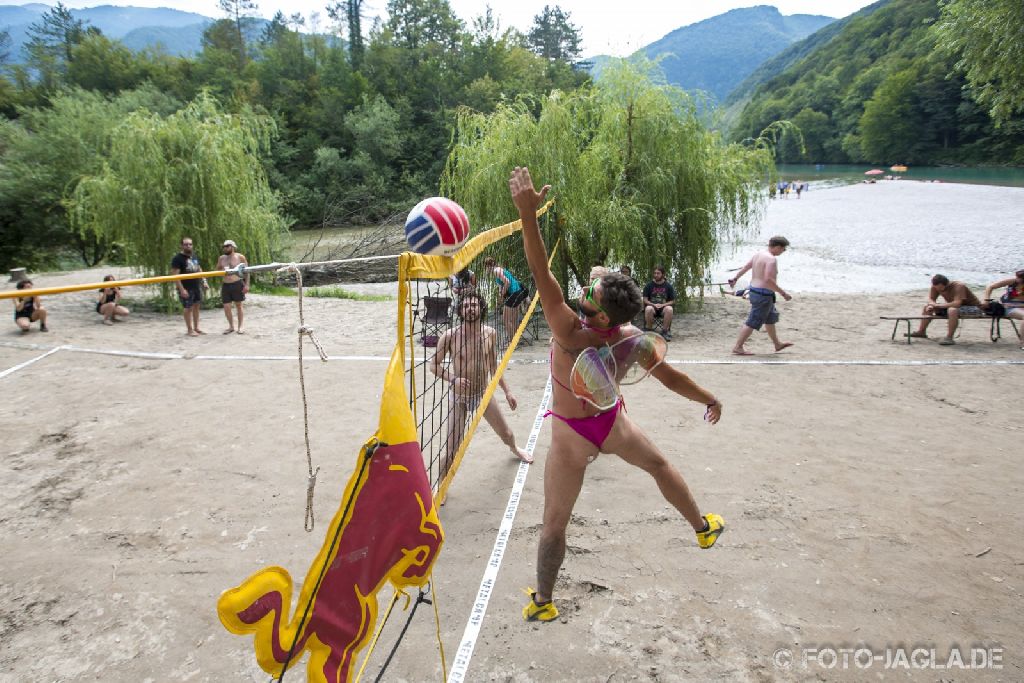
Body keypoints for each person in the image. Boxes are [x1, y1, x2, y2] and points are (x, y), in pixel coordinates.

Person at [509, 166, 724, 623]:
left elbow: (539, 268)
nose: (581, 295)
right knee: (660, 466)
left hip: (572, 435)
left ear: (600, 317)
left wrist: (528, 214)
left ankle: (543, 603)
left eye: (588, 297)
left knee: (553, 524)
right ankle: (702, 529)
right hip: (613, 423)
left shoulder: (568, 328)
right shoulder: (631, 336)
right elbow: (671, 378)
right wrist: (708, 397)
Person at [430, 291, 532, 485]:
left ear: (481, 308)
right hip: (458, 397)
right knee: (451, 449)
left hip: (482, 395)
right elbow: (433, 365)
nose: (470, 309)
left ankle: (515, 449)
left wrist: (507, 391)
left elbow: (494, 367)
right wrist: (453, 379)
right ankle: (441, 486)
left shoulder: (489, 333)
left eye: (474, 305)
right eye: (466, 306)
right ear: (460, 310)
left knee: (508, 434)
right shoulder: (450, 336)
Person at [728, 236, 794, 356]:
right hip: (762, 294)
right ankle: (738, 347)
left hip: (756, 291)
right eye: (783, 249)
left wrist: (735, 278)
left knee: (770, 318)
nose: (783, 252)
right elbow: (768, 279)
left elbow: (746, 267)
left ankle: (777, 344)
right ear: (778, 247)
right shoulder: (771, 259)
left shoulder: (759, 254)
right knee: (753, 321)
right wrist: (783, 293)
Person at [909, 274, 984, 345]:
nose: (937, 289)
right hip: (953, 307)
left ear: (945, 284)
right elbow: (931, 299)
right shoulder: (935, 287)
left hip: (973, 308)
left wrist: (938, 306)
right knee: (927, 308)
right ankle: (921, 331)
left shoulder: (959, 286)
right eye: (935, 287)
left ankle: (949, 337)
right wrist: (931, 305)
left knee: (952, 310)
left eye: (939, 287)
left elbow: (957, 303)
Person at [482, 256, 529, 340]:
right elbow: (501, 285)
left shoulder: (496, 271)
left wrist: (503, 293)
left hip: (514, 294)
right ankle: (515, 340)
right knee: (514, 319)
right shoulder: (499, 270)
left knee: (506, 320)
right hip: (518, 293)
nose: (485, 270)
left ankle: (512, 341)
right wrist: (500, 295)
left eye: (485, 267)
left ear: (488, 266)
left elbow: (507, 282)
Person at [170, 237, 208, 337]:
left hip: (196, 286)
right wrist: (182, 289)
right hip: (186, 287)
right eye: (186, 244)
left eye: (190, 244)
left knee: (196, 306)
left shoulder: (194, 256)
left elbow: (199, 269)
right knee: (188, 308)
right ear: (182, 245)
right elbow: (175, 275)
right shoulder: (177, 258)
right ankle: (189, 330)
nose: (188, 246)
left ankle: (196, 328)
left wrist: (204, 281)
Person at [982, 269, 1024, 349]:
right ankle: (1023, 343)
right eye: (1017, 277)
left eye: (1020, 278)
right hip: (1009, 307)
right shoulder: (1012, 281)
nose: (1018, 279)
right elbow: (990, 287)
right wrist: (986, 300)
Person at [216, 239, 250, 334]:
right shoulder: (221, 258)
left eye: (227, 246)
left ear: (233, 247)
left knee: (239, 305)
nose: (225, 248)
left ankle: (241, 326)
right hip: (226, 284)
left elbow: (247, 271)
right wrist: (222, 271)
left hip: (237, 283)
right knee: (226, 306)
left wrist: (247, 284)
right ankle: (231, 326)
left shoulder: (240, 257)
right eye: (224, 247)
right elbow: (217, 269)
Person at [642, 266, 675, 341]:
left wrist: (662, 305)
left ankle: (664, 332)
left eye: (658, 273)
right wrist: (653, 304)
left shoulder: (668, 286)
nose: (656, 275)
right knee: (648, 308)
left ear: (663, 274)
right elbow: (645, 300)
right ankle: (649, 331)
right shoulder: (649, 285)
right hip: (652, 308)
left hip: (663, 309)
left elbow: (672, 301)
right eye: (655, 273)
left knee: (669, 309)